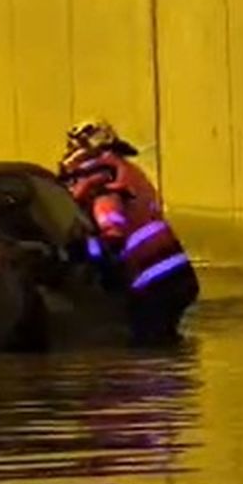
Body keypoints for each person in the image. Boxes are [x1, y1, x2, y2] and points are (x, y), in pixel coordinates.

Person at [58, 119, 198, 344]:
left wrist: (81, 250)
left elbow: (113, 236)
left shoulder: (104, 191)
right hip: (179, 274)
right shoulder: (129, 174)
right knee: (167, 348)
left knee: (144, 354)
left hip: (152, 281)